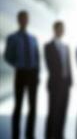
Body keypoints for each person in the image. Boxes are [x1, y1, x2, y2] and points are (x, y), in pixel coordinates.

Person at [4, 10, 40, 139]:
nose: (24, 20)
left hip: (32, 74)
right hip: (20, 73)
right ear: (19, 20)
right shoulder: (12, 38)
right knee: (18, 106)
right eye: (22, 18)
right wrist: (18, 63)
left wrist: (36, 73)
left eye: (26, 18)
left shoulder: (33, 39)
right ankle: (16, 134)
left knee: (33, 106)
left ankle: (30, 134)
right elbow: (7, 56)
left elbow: (37, 57)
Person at [44, 21, 72, 139]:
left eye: (62, 29)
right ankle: (50, 135)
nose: (61, 31)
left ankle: (60, 135)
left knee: (62, 111)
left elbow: (68, 65)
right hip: (55, 84)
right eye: (59, 28)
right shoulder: (48, 46)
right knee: (53, 112)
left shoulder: (66, 47)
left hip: (66, 84)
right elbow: (50, 65)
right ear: (54, 30)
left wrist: (70, 80)